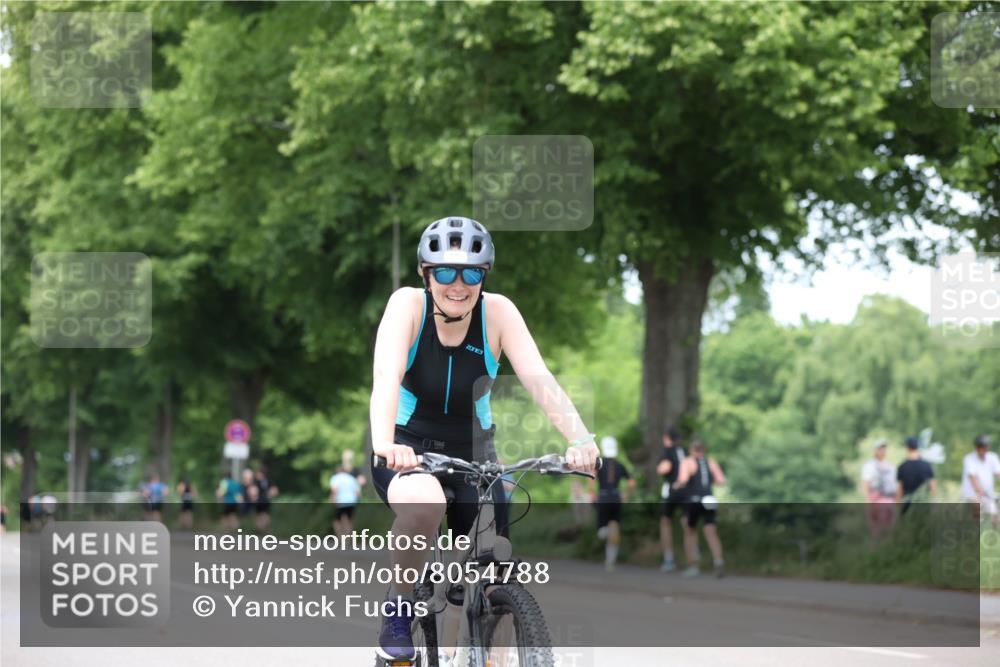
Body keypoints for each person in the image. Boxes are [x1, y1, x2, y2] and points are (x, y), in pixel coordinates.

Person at [369, 217, 598, 663]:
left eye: (471, 273)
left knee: (487, 568)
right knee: (424, 506)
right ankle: (398, 608)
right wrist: (385, 443)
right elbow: (386, 377)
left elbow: (540, 380)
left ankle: (478, 648)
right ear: (425, 273)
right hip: (406, 447)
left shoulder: (499, 313)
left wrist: (581, 439)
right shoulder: (406, 307)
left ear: (484, 275)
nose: (459, 284)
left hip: (475, 454)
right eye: (445, 272)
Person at [675, 439, 726, 577]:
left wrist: (676, 485)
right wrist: (708, 482)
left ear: (691, 450)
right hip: (709, 499)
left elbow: (683, 479)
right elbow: (721, 480)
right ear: (703, 450)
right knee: (711, 532)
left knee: (689, 530)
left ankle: (693, 565)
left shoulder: (688, 462)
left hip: (694, 500)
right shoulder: (711, 462)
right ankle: (718, 561)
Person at [592, 436, 636, 571]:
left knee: (602, 531)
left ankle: (607, 537)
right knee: (614, 529)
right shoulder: (620, 465)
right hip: (616, 498)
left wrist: (592, 495)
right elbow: (632, 483)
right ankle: (610, 562)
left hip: (604, 498)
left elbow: (591, 480)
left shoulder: (598, 464)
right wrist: (626, 495)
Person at [656, 426, 686, 571]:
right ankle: (693, 556)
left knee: (665, 522)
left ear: (667, 438)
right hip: (688, 490)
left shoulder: (668, 452)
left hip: (673, 490)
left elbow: (664, 468)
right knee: (688, 523)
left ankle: (669, 559)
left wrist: (659, 468)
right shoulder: (684, 451)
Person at [861, 439, 896, 545]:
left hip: (889, 500)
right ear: (875, 450)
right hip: (876, 500)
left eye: (884, 449)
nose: (883, 451)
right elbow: (865, 484)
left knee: (890, 529)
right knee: (877, 530)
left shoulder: (890, 466)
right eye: (880, 449)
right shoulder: (869, 466)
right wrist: (869, 501)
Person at [961, 434, 1000, 526]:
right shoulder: (969, 459)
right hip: (972, 494)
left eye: (986, 447)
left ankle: (993, 534)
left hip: (987, 494)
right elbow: (972, 477)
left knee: (995, 515)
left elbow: (998, 473)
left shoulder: (992, 457)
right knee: (977, 510)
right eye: (983, 447)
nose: (985, 449)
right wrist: (979, 490)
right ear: (978, 448)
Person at [895, 436, 936, 513]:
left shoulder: (902, 466)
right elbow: (932, 488)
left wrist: (896, 507)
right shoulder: (927, 466)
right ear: (918, 447)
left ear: (907, 448)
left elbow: (899, 491)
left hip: (907, 507)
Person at [330, 465, 363, 536]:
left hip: (341, 501)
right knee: (349, 520)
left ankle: (340, 536)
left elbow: (335, 490)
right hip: (352, 502)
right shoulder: (352, 478)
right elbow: (358, 493)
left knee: (337, 521)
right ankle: (348, 537)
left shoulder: (336, 478)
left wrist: (333, 500)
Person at [254, 467, 278, 532]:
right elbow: (275, 490)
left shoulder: (256, 482)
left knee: (260, 514)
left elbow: (254, 491)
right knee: (264, 514)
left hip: (261, 500)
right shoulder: (268, 481)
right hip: (266, 500)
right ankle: (264, 528)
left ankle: (261, 528)